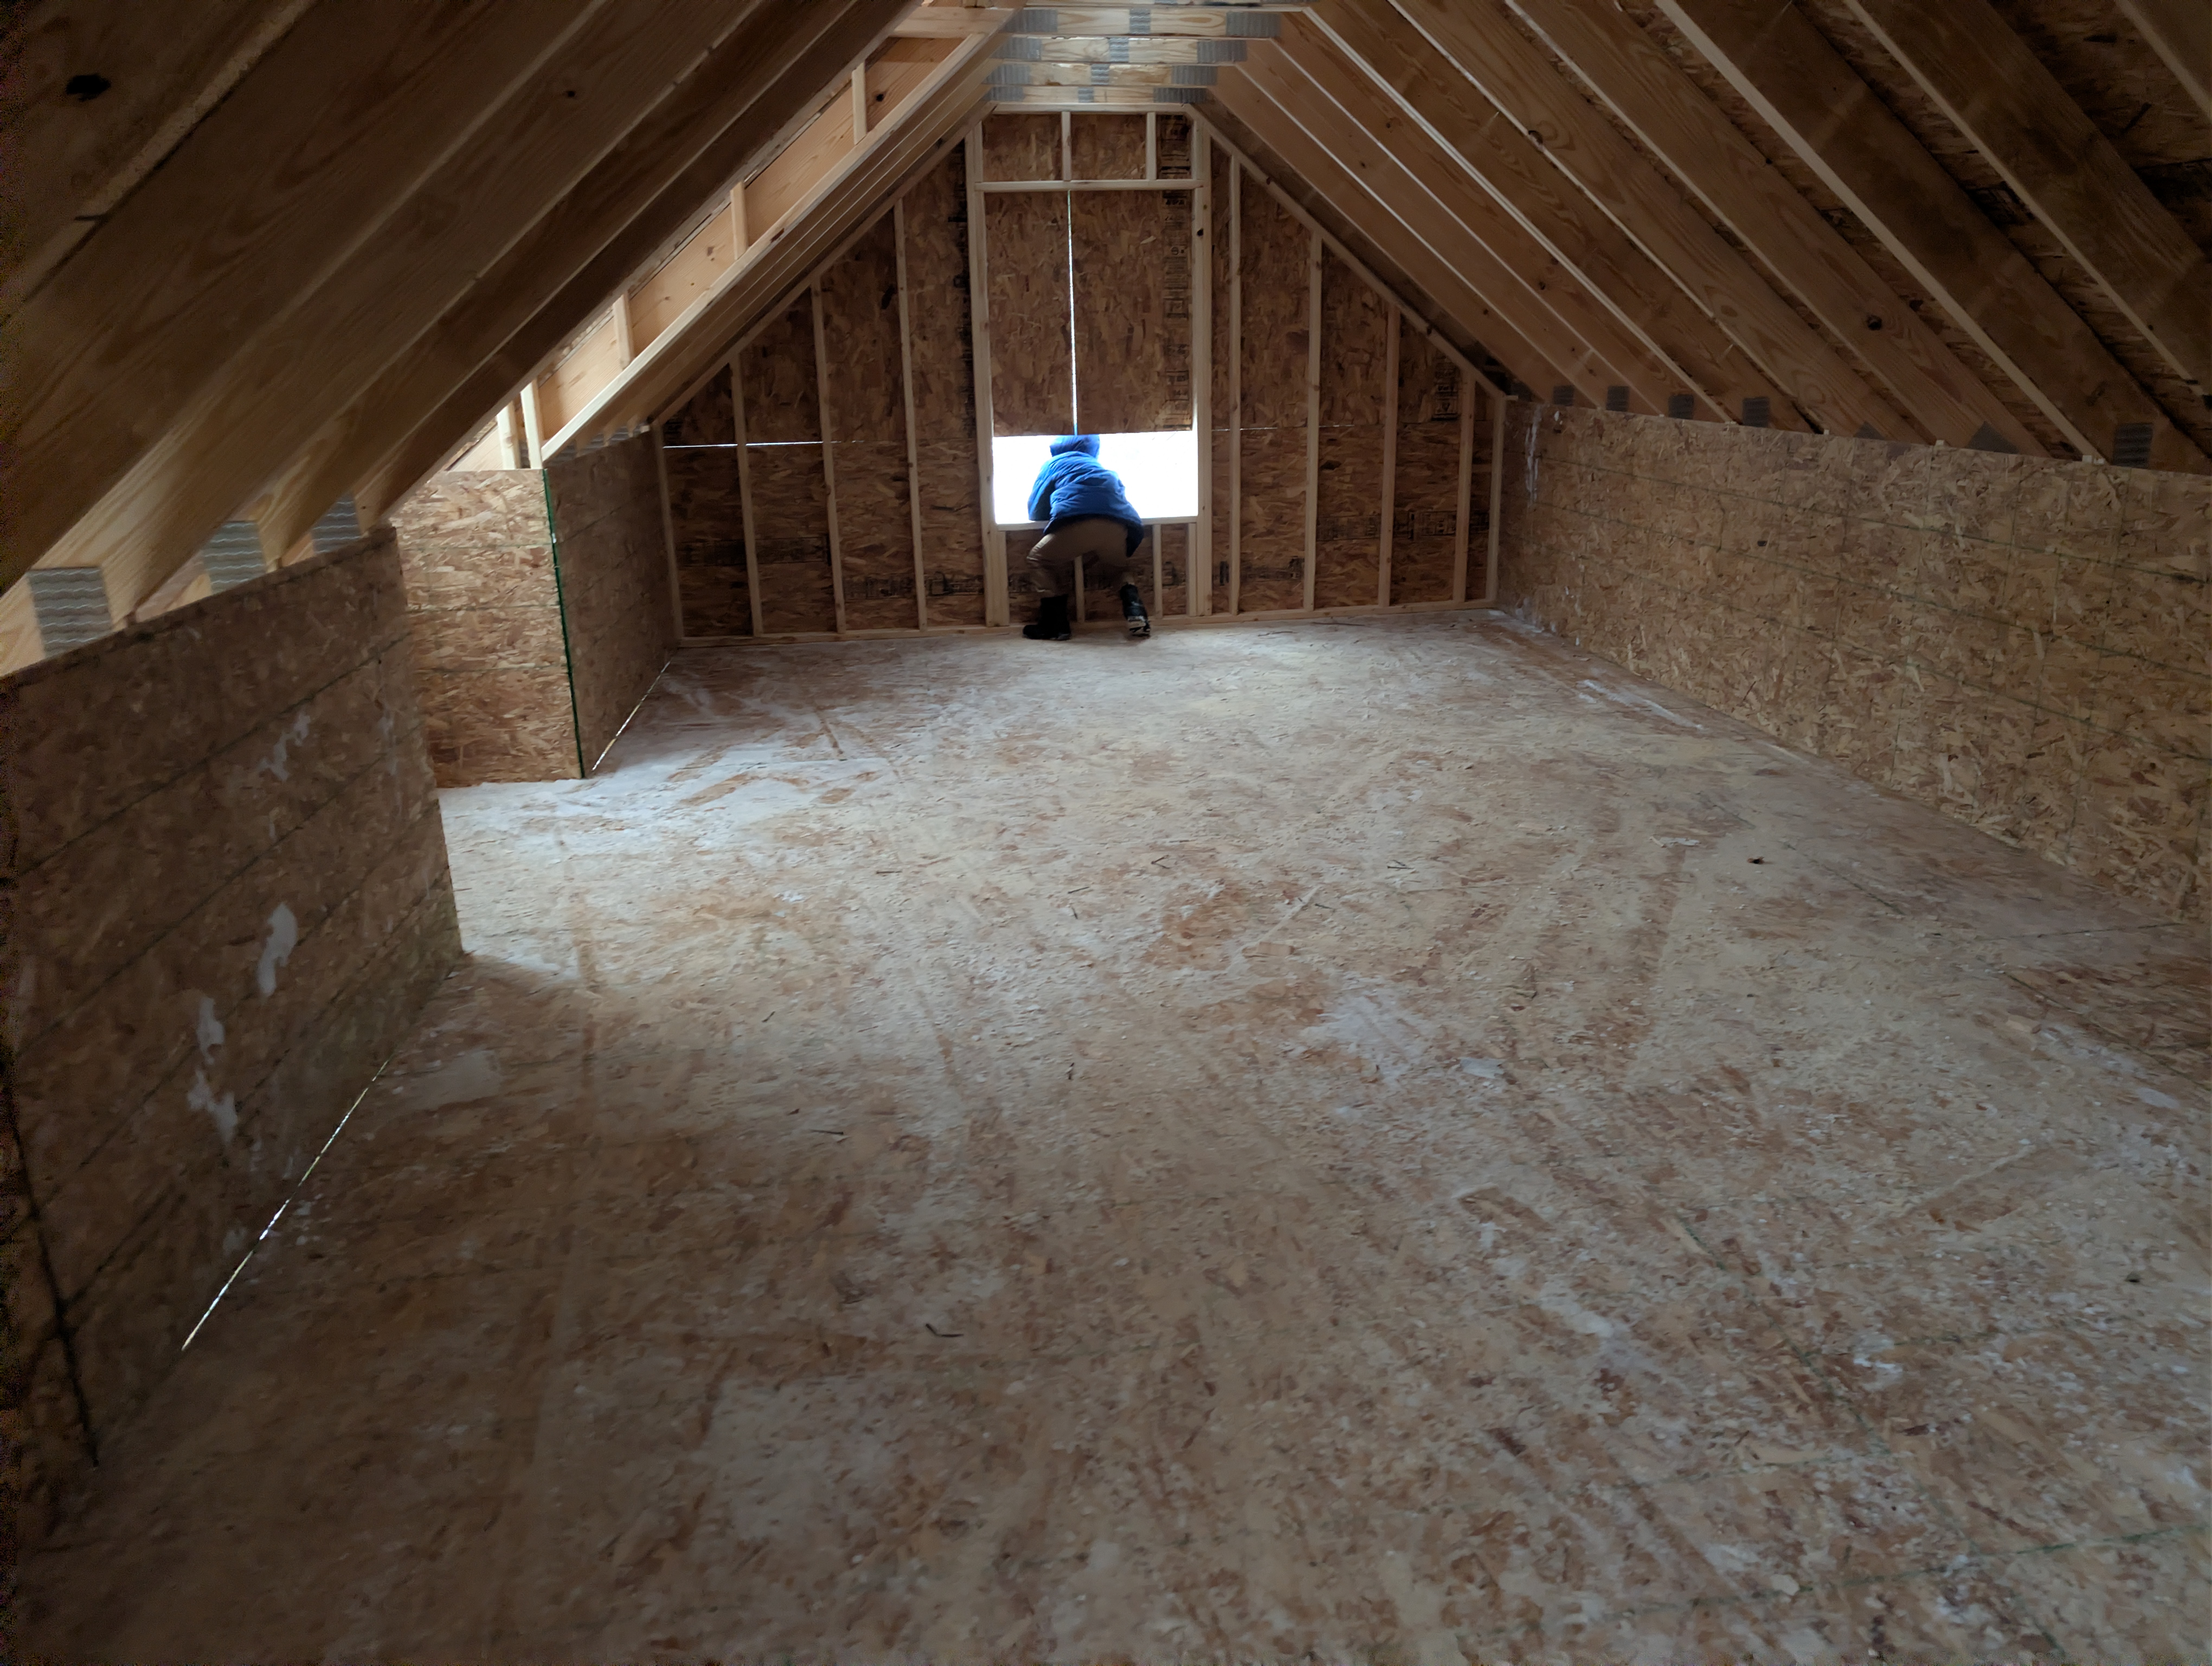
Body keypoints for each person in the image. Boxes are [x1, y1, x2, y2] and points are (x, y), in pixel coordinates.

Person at [1021, 435, 1150, 641]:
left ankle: (1056, 626)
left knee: (1038, 559)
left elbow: (1036, 510)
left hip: (1079, 522)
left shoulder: (1053, 465)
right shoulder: (1099, 467)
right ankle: (1137, 613)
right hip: (1119, 526)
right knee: (1118, 569)